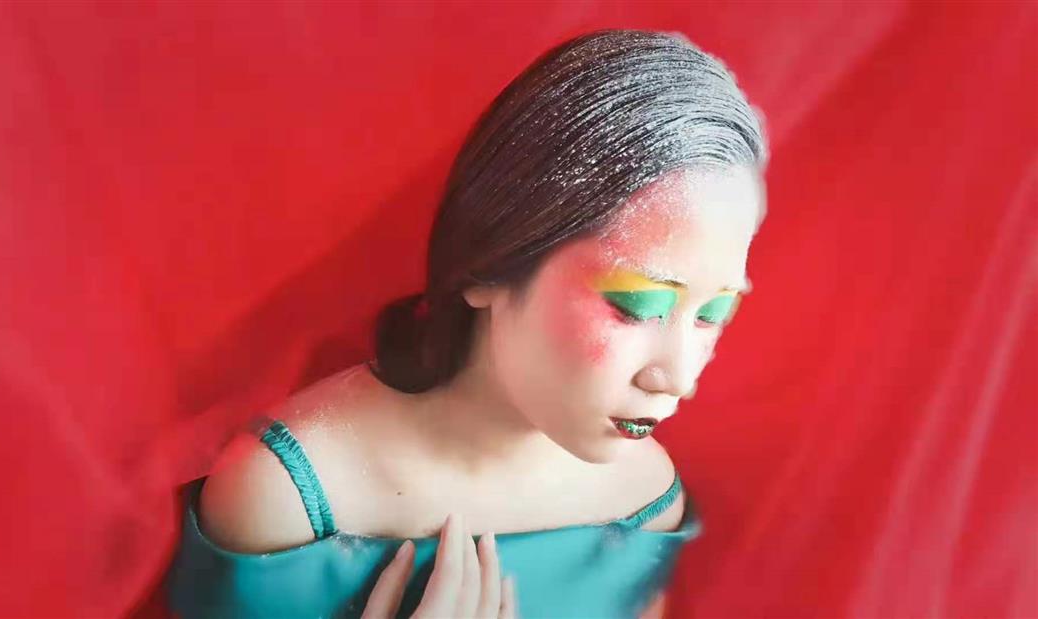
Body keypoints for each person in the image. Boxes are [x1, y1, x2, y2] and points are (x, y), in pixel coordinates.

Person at [166, 28, 767, 618]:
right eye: (636, 306)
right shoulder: (286, 498)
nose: (679, 378)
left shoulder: (645, 503)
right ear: (490, 266)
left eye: (713, 315)